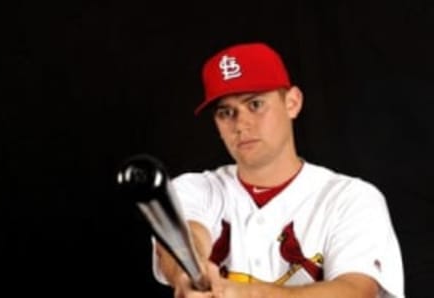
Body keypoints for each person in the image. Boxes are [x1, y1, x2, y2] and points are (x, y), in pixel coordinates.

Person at [150, 42, 405, 298]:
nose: (241, 124)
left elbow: (355, 291)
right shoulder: (195, 188)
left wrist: (246, 293)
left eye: (255, 104)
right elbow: (185, 238)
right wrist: (188, 272)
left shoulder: (351, 198)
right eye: (226, 112)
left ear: (292, 103)